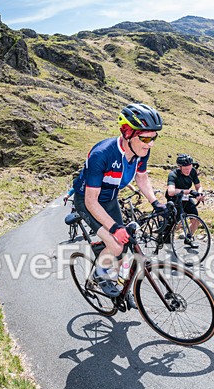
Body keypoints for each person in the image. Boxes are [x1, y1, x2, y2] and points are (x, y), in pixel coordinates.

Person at [71, 103, 167, 298]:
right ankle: (100, 275)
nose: (150, 144)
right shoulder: (102, 154)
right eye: (145, 138)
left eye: (153, 138)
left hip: (110, 199)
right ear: (127, 133)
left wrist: (156, 203)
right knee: (116, 244)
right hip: (87, 202)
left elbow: (141, 178)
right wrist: (114, 229)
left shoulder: (141, 152)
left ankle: (102, 249)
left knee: (124, 248)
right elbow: (91, 202)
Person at [167, 153, 204, 235]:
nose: (188, 171)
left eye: (190, 168)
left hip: (186, 198)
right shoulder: (173, 174)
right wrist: (188, 191)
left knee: (196, 220)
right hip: (175, 198)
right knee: (177, 225)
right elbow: (171, 191)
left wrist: (200, 194)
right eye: (186, 169)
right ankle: (166, 233)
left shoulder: (192, 171)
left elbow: (198, 186)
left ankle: (189, 238)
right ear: (179, 167)